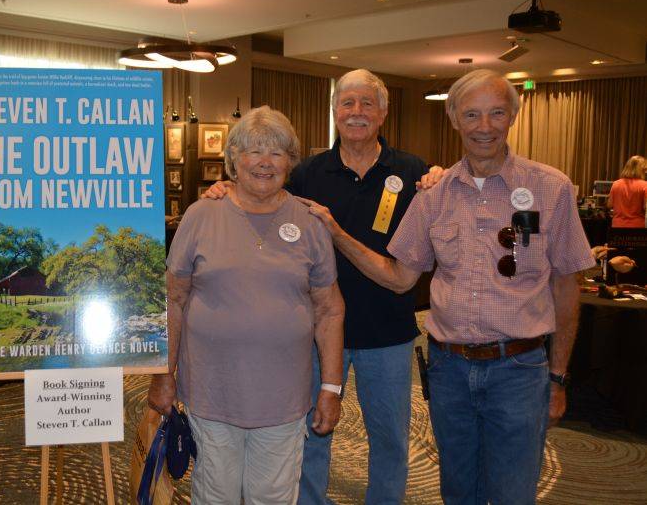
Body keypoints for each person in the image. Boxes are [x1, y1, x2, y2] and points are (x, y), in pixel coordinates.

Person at [300, 69, 595, 504]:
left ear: (513, 115)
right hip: (441, 366)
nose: (485, 126)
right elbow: (401, 276)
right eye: (472, 114)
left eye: (496, 113)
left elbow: (567, 285)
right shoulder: (429, 193)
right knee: (455, 488)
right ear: (455, 119)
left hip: (507, 366)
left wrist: (558, 376)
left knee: (510, 488)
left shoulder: (543, 188)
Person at [204, 69, 444, 505]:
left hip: (387, 332)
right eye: (347, 103)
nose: (356, 113)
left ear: (383, 112)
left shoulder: (412, 172)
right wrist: (226, 185)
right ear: (334, 112)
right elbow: (261, 198)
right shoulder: (308, 173)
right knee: (313, 435)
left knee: (390, 441)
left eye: (366, 103)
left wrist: (437, 177)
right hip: (314, 332)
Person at [147, 106, 345, 504]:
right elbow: (173, 299)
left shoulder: (310, 222)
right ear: (233, 159)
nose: (265, 162)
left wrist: (331, 387)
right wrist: (162, 373)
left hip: (283, 399)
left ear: (290, 161)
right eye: (253, 151)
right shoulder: (201, 215)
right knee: (215, 494)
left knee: (272, 497)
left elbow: (330, 310)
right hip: (211, 392)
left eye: (276, 152)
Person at [608, 155, 647, 228]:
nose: (645, 172)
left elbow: (610, 205)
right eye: (644, 169)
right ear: (640, 170)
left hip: (617, 225)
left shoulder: (616, 184)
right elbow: (646, 207)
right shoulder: (645, 185)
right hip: (637, 227)